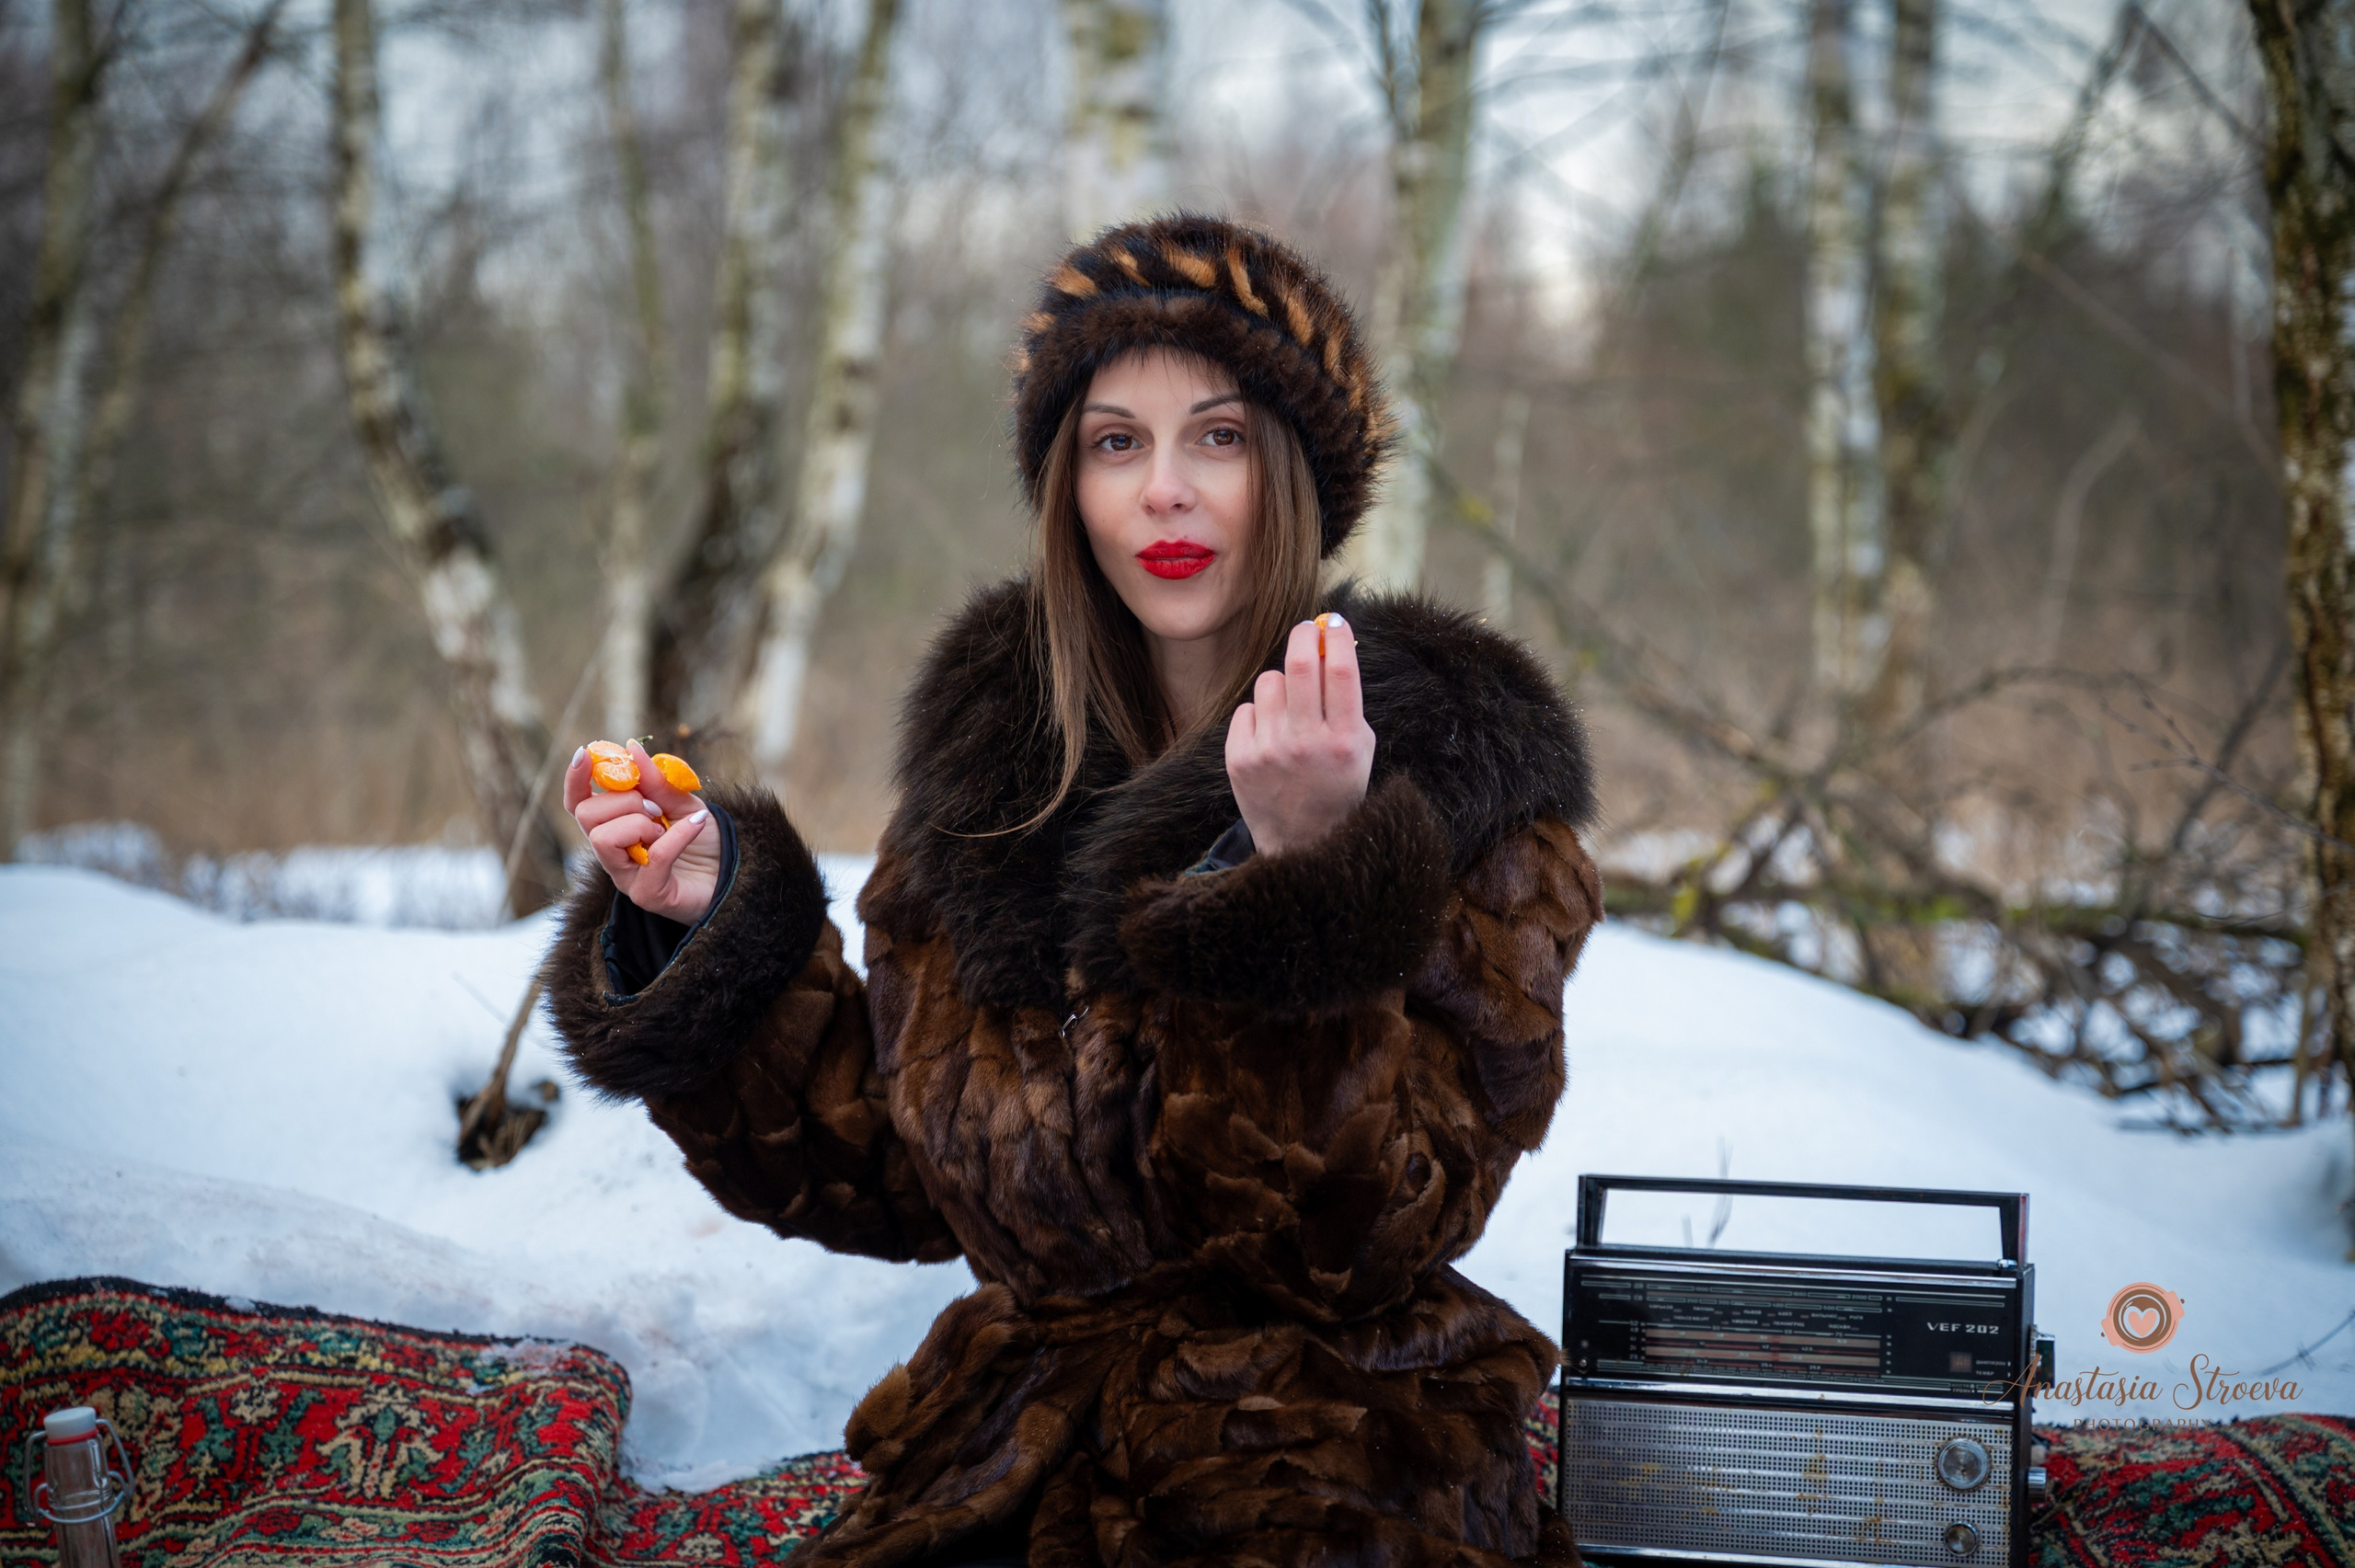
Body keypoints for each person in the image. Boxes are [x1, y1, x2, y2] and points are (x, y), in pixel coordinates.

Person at [540, 212, 1603, 1568]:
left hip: (1330, 1470)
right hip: (1021, 1456)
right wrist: (712, 926)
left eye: (1217, 436)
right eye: (1116, 441)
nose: (1165, 488)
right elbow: (900, 1166)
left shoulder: (1460, 787)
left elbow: (1371, 1229)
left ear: (1294, 478)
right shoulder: (990, 793)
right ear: (1067, 486)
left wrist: (1306, 883)